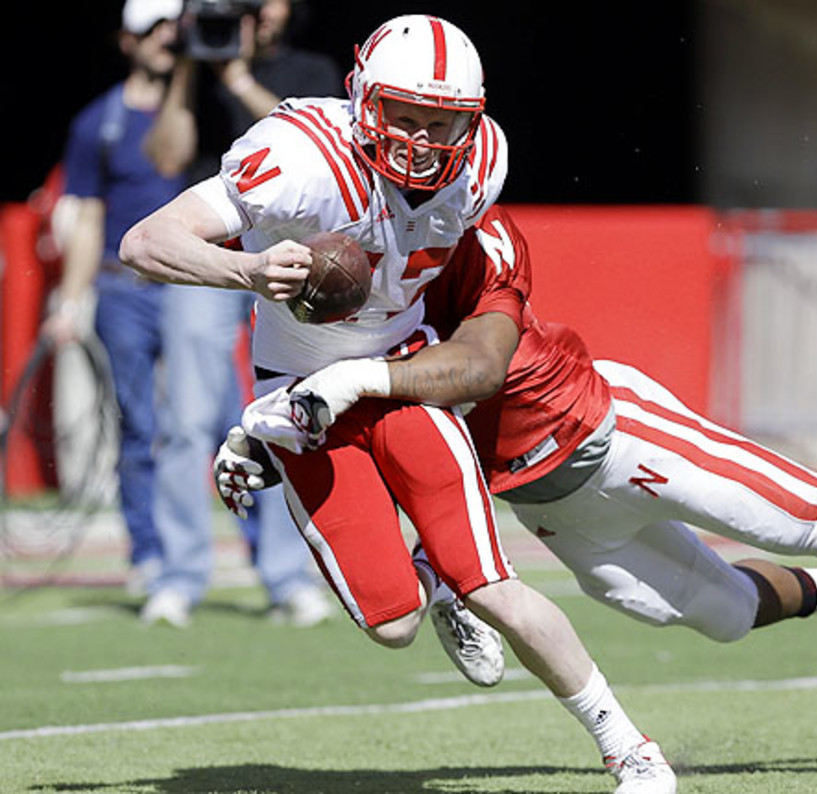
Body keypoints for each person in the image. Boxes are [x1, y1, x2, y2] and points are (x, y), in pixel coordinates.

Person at [237, 204, 817, 681]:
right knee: (718, 615)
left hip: (603, 432)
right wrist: (263, 431)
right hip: (542, 500)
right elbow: (370, 437)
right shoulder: (343, 264)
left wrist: (353, 378)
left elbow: (476, 367)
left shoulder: (483, 239)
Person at [120, 15, 676, 792]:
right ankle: (341, 501)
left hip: (397, 374)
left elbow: (453, 274)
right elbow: (144, 242)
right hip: (298, 389)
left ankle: (629, 747)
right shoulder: (299, 157)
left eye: (440, 121)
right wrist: (246, 271)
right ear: (362, 98)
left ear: (470, 121)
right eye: (404, 115)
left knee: (495, 583)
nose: (419, 139)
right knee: (392, 624)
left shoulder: (483, 161)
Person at [136, 0, 344, 628]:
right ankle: (179, 576)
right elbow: (167, 159)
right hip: (204, 263)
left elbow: (324, 153)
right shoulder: (190, 77)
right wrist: (188, 73)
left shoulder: (308, 72)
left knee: (289, 414)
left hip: (290, 260)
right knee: (186, 421)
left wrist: (239, 80)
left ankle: (288, 578)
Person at [40, 0, 187, 595]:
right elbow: (88, 218)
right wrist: (71, 303)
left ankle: (261, 557)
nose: (164, 39)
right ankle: (148, 554)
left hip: (189, 286)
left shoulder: (197, 113)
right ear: (127, 40)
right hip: (122, 288)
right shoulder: (96, 123)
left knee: (212, 422)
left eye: (170, 28)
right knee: (136, 426)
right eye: (151, 29)